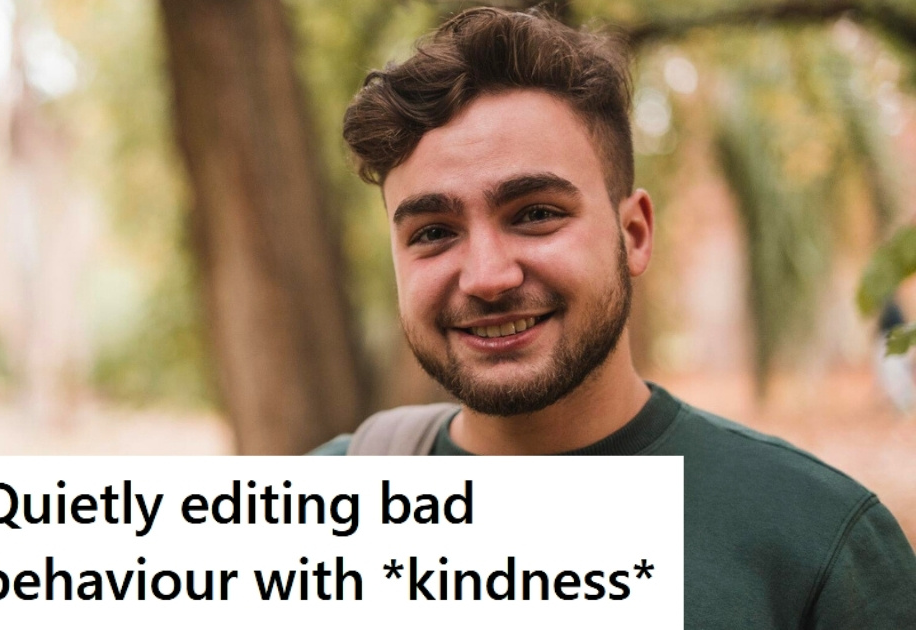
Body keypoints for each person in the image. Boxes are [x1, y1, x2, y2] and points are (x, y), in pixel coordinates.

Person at [311, 7, 916, 627]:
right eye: (433, 232)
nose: (487, 277)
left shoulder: (819, 548)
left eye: (535, 214)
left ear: (634, 235)